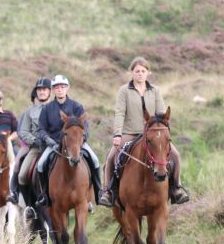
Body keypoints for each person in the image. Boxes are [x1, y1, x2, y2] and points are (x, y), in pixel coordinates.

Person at [98, 57, 189, 207]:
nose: (140, 74)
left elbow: (161, 113)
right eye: (137, 71)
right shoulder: (124, 90)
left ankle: (176, 189)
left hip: (152, 134)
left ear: (148, 73)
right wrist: (117, 134)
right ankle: (108, 191)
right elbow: (120, 113)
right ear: (132, 73)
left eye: (143, 71)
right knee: (111, 157)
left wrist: (162, 132)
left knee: (176, 155)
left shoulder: (155, 90)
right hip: (130, 133)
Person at [36, 75, 103, 209]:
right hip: (55, 144)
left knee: (95, 160)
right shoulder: (47, 108)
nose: (60, 90)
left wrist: (83, 138)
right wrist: (49, 141)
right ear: (53, 90)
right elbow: (41, 129)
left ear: (67, 88)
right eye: (56, 87)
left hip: (77, 143)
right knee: (40, 165)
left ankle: (98, 193)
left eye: (62, 87)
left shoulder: (77, 106)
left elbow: (85, 126)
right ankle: (44, 195)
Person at [9, 77, 52, 212]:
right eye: (39, 90)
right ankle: (29, 206)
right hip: (36, 148)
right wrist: (35, 140)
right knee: (22, 175)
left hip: (55, 147)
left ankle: (87, 198)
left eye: (44, 89)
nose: (42, 92)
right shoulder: (30, 111)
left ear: (50, 91)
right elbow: (23, 131)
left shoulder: (56, 108)